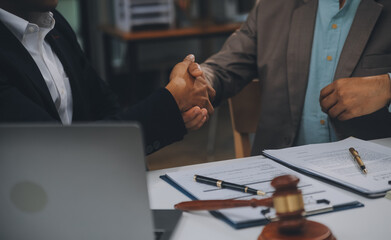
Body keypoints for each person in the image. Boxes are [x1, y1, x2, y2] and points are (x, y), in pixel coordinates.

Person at [0, 0, 215, 154]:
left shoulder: (56, 25)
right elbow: (57, 149)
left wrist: (176, 110)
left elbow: (105, 108)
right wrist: (173, 99)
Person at [191, 0, 391, 155]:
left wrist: (386, 87)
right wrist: (198, 81)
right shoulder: (274, 6)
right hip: (282, 179)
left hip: (372, 176)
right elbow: (224, 67)